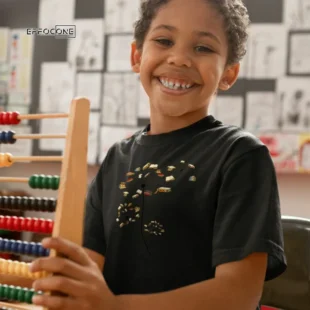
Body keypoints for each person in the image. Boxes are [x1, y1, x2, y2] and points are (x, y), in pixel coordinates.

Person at [29, 0, 287, 309]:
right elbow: (89, 273)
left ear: (228, 74)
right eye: (164, 41)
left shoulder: (241, 155)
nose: (179, 58)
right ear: (137, 56)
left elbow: (238, 295)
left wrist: (113, 307)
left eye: (203, 48)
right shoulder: (117, 159)